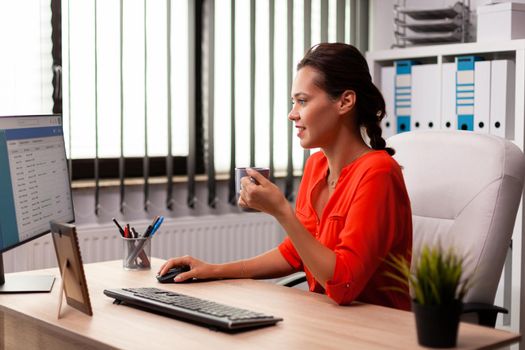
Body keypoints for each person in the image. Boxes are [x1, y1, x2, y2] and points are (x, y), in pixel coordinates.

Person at [159, 43, 412, 310]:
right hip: (326, 319)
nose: (292, 114)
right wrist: (213, 270)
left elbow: (343, 284)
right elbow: (293, 255)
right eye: (294, 102)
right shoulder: (316, 165)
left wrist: (282, 212)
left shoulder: (378, 173)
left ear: (345, 102)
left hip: (377, 330)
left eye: (302, 101)